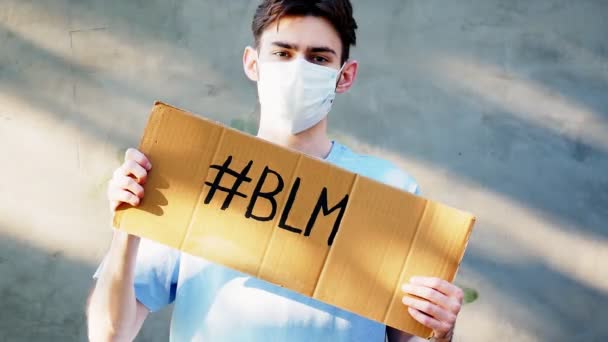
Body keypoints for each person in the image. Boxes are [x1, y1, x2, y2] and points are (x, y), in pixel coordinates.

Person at [86, 1, 464, 341]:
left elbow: (410, 337)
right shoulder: (191, 177)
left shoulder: (391, 190)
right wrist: (126, 231)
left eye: (318, 58)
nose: (297, 69)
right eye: (282, 53)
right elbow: (109, 335)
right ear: (253, 63)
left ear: (344, 76)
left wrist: (439, 329)